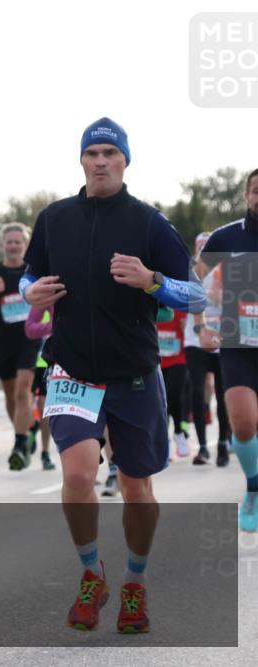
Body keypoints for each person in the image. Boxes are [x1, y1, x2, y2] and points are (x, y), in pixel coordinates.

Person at [21, 118, 204, 633]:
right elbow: (29, 273)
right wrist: (31, 289)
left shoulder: (148, 222)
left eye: (110, 153)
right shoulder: (54, 218)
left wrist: (153, 281)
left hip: (134, 373)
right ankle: (90, 573)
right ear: (81, 161)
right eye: (92, 153)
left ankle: (135, 584)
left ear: (125, 161)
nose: (100, 161)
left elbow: (196, 294)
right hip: (73, 368)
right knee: (78, 475)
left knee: (136, 488)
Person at [196, 167, 258, 532]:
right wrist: (203, 323)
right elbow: (193, 279)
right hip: (238, 345)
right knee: (244, 422)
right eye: (255, 189)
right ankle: (253, 487)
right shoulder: (227, 236)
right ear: (246, 196)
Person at [0, 223, 42, 471]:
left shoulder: (33, 272)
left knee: (23, 391)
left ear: (25, 245)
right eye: (9, 242)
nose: (13, 246)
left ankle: (20, 443)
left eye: (18, 242)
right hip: (2, 342)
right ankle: (26, 428)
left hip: (30, 339)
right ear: (3, 245)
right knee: (11, 396)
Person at [184, 232, 231, 466]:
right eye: (200, 248)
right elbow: (181, 297)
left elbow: (240, 299)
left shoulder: (226, 268)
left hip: (222, 340)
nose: (204, 253)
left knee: (224, 394)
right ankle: (202, 447)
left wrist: (217, 295)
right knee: (196, 391)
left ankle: (223, 442)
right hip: (194, 340)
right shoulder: (190, 270)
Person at [24, 304, 57, 470]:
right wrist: (52, 325)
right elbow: (30, 328)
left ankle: (45, 453)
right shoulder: (40, 300)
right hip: (29, 361)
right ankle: (30, 427)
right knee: (24, 403)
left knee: (45, 409)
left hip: (46, 363)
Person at [157, 307, 191, 459]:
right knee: (161, 402)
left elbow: (189, 330)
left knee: (173, 395)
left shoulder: (179, 307)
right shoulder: (152, 306)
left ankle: (178, 432)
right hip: (158, 361)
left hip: (178, 359)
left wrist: (186, 326)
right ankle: (166, 440)